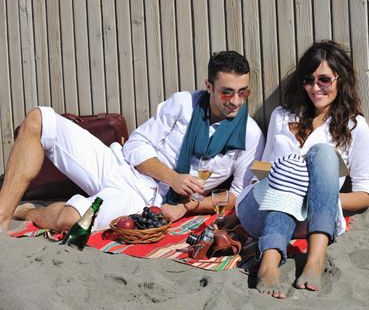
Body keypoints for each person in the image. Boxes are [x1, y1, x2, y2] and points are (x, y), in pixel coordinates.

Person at [0, 51, 265, 233]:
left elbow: (240, 195)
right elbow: (135, 145)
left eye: (243, 92)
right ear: (209, 86)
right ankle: (2, 217)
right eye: (227, 92)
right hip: (119, 166)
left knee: (73, 221)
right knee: (39, 119)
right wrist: (173, 177)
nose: (236, 101)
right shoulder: (183, 104)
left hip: (139, 199)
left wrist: (187, 206)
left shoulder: (250, 135)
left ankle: (26, 212)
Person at [235, 40, 369, 299]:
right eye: (308, 80)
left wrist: (313, 198)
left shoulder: (355, 127)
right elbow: (263, 171)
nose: (315, 88)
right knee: (290, 165)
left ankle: (315, 259)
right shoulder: (282, 116)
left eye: (324, 80)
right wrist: (290, 183)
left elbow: (366, 195)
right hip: (262, 210)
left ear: (340, 79)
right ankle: (269, 262)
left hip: (309, 219)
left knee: (323, 153)